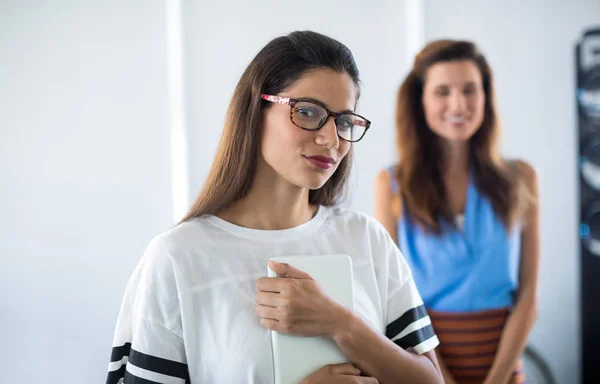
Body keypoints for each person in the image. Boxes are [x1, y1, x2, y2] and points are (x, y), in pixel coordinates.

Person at [106, 31, 443, 384]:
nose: (331, 139)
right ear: (256, 110)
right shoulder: (178, 257)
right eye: (308, 112)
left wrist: (340, 324)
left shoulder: (367, 240)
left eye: (343, 121)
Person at [373, 40, 540, 384]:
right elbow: (392, 301)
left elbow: (528, 296)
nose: (459, 104)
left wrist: (496, 379)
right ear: (420, 101)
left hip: (505, 367)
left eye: (469, 90)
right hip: (427, 366)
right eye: (442, 92)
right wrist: (442, 378)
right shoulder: (392, 184)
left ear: (486, 96)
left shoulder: (521, 177)